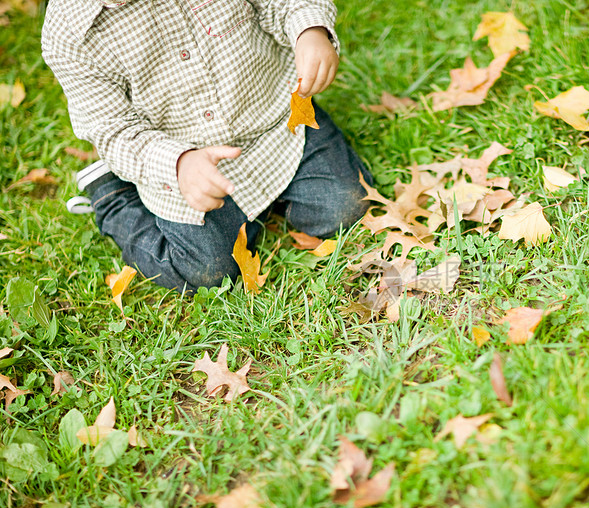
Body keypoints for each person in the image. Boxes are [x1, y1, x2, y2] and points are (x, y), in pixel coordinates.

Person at [41, 0, 370, 292]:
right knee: (208, 271)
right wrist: (178, 163)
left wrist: (309, 30)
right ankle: (111, 195)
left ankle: (280, 196)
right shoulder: (69, 33)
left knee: (347, 205)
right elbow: (113, 130)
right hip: (182, 173)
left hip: (277, 128)